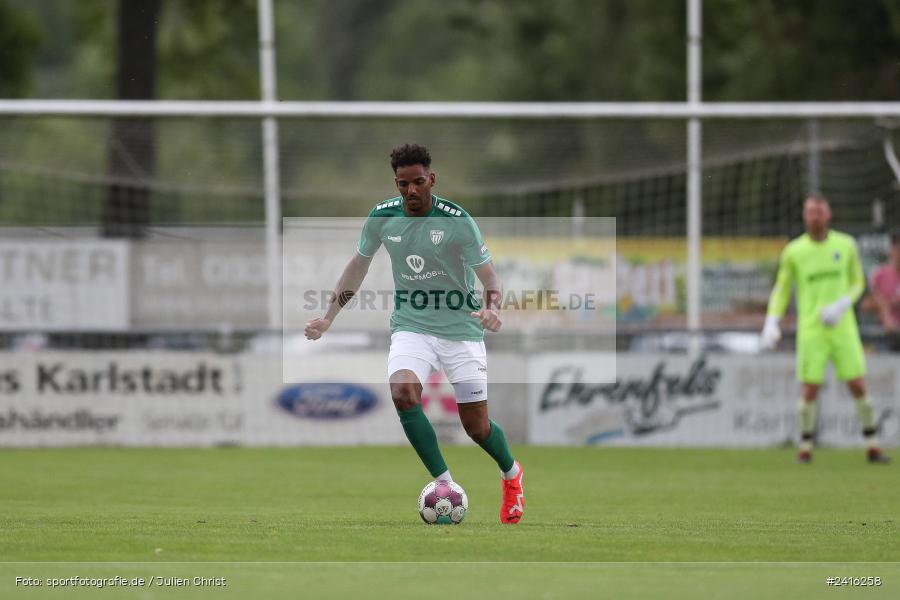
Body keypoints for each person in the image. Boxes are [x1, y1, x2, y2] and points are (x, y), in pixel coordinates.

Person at [304, 143, 525, 523]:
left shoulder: (457, 220)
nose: (410, 191)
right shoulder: (382, 218)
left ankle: (511, 475)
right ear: (396, 182)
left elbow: (490, 278)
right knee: (403, 393)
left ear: (431, 179)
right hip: (412, 327)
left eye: (418, 182)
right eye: (403, 184)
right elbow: (357, 267)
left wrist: (492, 308)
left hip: (461, 331)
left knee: (477, 427)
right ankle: (446, 486)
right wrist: (328, 317)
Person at [760, 195, 889, 464]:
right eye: (810, 212)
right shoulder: (794, 251)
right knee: (809, 388)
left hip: (843, 328)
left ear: (828, 215)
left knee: (857, 384)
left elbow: (857, 283)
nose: (815, 216)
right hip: (811, 329)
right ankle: (805, 448)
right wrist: (771, 320)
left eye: (819, 211)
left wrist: (842, 305)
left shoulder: (846, 245)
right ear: (805, 216)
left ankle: (872, 445)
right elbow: (782, 288)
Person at [868, 231, 900, 349]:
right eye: (896, 248)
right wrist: (885, 307)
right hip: (885, 335)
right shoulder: (879, 274)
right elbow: (866, 304)